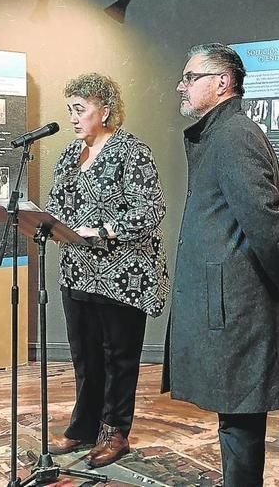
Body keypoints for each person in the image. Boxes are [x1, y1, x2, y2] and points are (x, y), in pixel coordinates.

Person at [162, 44, 279, 486]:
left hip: (238, 304)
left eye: (190, 78)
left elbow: (266, 224)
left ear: (222, 82)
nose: (181, 86)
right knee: (236, 418)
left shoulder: (235, 136)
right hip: (229, 301)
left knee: (241, 421)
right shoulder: (221, 134)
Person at [46, 73, 169, 468]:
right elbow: (56, 202)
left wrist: (101, 231)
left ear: (105, 110)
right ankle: (83, 428)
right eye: (70, 109)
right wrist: (53, 225)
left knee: (118, 358)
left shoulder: (133, 151)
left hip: (123, 275)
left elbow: (151, 210)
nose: (72, 117)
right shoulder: (70, 153)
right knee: (85, 357)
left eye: (80, 109)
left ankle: (115, 433)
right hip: (77, 272)